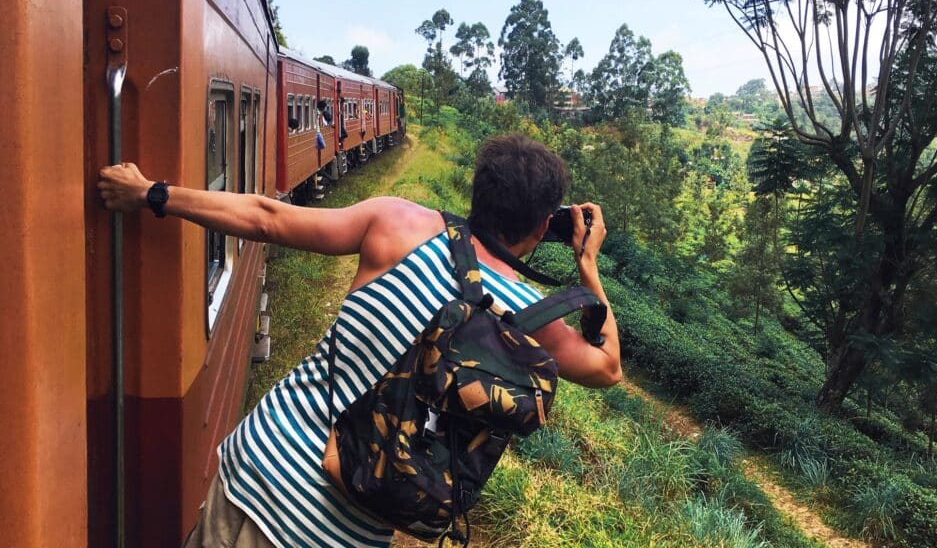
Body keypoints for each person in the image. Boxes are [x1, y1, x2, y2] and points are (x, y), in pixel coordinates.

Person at [98, 133, 621, 548]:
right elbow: (608, 367)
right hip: (352, 523)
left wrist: (152, 193)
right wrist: (587, 265)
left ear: (478, 193)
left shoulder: (396, 223)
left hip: (265, 472)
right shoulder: (531, 315)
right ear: (542, 225)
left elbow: (266, 217)